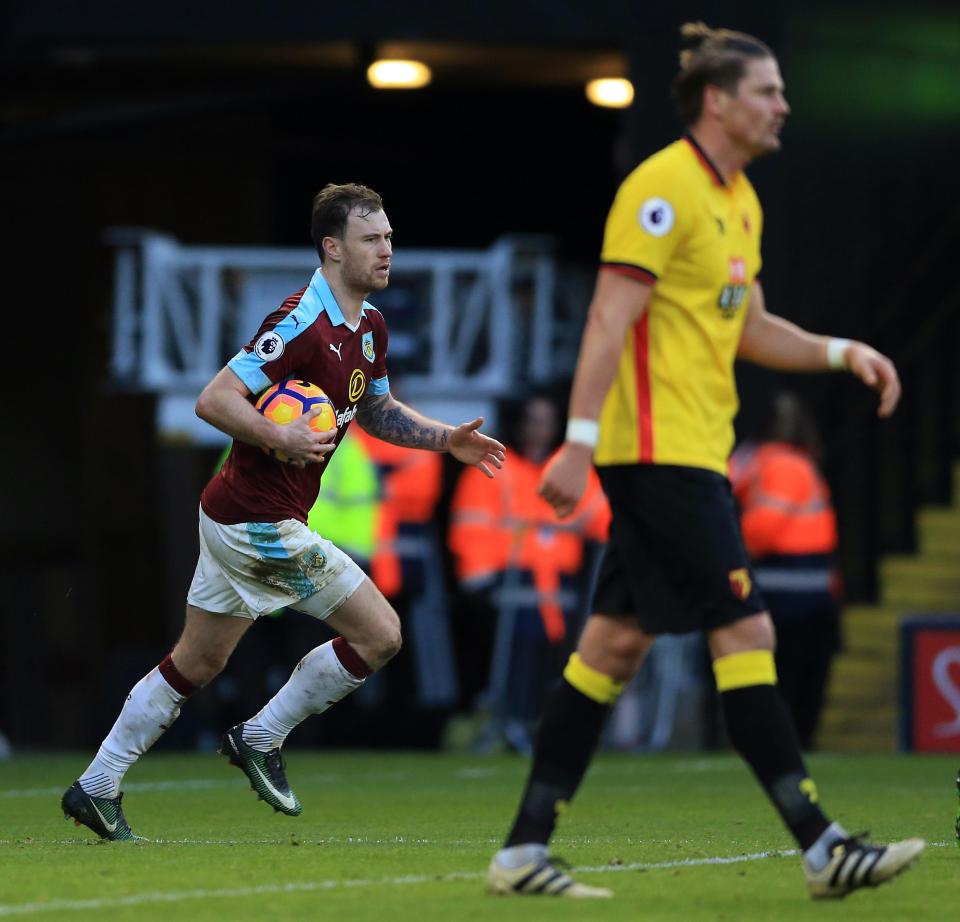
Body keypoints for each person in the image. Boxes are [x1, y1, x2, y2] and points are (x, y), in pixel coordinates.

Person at [486, 23, 924, 900]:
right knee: (747, 629)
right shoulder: (661, 188)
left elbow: (750, 326)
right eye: (768, 91)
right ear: (718, 101)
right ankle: (821, 844)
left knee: (609, 649)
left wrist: (843, 352)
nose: (783, 107)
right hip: (657, 458)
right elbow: (608, 320)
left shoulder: (742, 203)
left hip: (692, 456)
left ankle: (522, 852)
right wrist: (576, 444)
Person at [62, 182, 505, 840]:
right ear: (332, 248)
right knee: (380, 635)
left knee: (197, 664)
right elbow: (214, 400)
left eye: (388, 237)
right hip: (257, 522)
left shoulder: (371, 327)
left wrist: (447, 439)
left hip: (234, 515)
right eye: (370, 239)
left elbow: (377, 410)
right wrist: (282, 436)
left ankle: (96, 786)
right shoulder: (299, 321)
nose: (386, 250)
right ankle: (261, 736)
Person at [449, 394, 609, 752]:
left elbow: (601, 517)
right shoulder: (495, 466)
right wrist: (479, 581)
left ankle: (535, 726)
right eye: (534, 420)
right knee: (514, 656)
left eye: (547, 420)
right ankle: (510, 723)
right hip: (509, 583)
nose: (541, 428)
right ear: (520, 424)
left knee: (555, 660)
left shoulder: (567, 467)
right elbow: (471, 526)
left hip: (561, 586)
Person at [729, 392, 841, 750]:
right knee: (798, 684)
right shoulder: (793, 464)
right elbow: (764, 530)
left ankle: (774, 745)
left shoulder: (757, 459)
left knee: (779, 680)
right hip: (798, 595)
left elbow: (728, 485)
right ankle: (786, 747)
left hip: (783, 589)